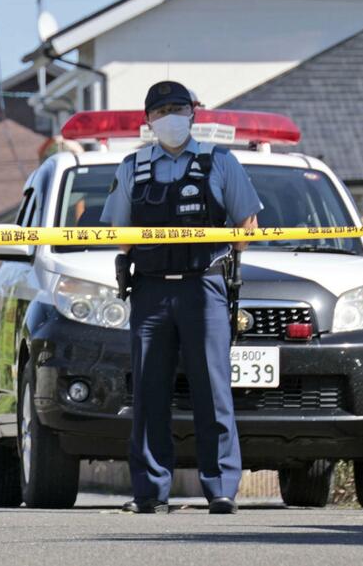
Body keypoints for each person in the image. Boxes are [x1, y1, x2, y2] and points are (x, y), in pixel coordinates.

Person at [101, 80, 262, 515]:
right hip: (151, 288)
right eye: (161, 110)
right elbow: (119, 235)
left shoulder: (220, 162)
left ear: (193, 113)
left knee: (213, 388)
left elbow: (246, 227)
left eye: (178, 107)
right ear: (148, 120)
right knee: (150, 390)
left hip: (203, 285)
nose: (170, 116)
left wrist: (218, 252)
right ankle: (151, 492)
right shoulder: (132, 167)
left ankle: (221, 488)